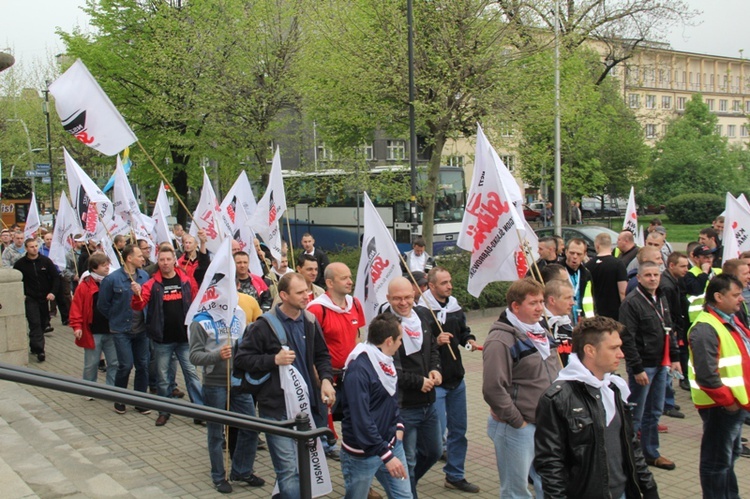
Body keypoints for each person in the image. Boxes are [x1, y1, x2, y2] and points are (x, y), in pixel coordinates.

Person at [534, 316, 660, 499]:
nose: (621, 354)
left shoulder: (614, 388)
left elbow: (631, 445)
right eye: (613, 348)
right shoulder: (557, 399)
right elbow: (550, 464)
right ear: (590, 350)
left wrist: (648, 487)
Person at [234, 273, 335, 499]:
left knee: (305, 468)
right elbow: (241, 360)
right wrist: (273, 360)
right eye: (299, 292)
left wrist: (326, 380)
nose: (306, 296)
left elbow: (322, 355)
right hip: (276, 410)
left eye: (307, 291)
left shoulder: (309, 320)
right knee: (288, 472)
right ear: (283, 295)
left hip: (306, 408)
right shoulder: (264, 326)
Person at [483, 278, 562, 498]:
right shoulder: (501, 339)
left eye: (541, 301)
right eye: (533, 303)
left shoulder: (540, 331)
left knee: (548, 482)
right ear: (516, 306)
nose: (540, 308)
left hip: (544, 422)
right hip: (517, 427)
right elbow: (492, 388)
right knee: (515, 491)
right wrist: (518, 421)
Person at [188, 295, 265, 493]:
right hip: (214, 384)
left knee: (251, 427)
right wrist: (217, 355)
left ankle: (241, 470)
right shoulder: (200, 321)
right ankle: (218, 476)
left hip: (239, 382)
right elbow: (194, 356)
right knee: (216, 433)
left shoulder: (239, 313)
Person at [688, 274, 750, 498]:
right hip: (721, 407)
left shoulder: (729, 320)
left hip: (733, 404)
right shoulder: (706, 328)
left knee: (728, 460)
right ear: (718, 296)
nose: (741, 299)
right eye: (735, 295)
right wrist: (730, 403)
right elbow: (707, 375)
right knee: (716, 464)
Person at [419, 267, 480, 493]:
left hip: (457, 378)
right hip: (436, 381)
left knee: (459, 431)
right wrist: (436, 340)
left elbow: (463, 331)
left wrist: (470, 339)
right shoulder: (422, 311)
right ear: (431, 286)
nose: (449, 286)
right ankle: (411, 473)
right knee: (435, 438)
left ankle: (455, 475)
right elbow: (418, 346)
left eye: (450, 281)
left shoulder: (454, 306)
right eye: (444, 283)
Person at [381, 276, 442, 498]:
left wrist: (436, 369)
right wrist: (419, 382)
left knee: (434, 451)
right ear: (388, 298)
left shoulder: (423, 315)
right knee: (408, 460)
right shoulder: (384, 325)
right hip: (404, 406)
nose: (404, 302)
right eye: (397, 298)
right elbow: (388, 368)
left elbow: (433, 347)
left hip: (429, 403)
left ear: (415, 295)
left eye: (408, 297)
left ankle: (408, 484)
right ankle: (408, 493)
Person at [339, 313, 411, 499]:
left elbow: (390, 397)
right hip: (362, 454)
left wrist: (399, 424)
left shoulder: (385, 361)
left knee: (404, 496)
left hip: (390, 443)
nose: (401, 344)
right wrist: (385, 455)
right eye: (400, 339)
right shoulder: (359, 370)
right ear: (389, 341)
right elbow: (361, 418)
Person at [619, 261, 681, 471]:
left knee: (654, 412)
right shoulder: (632, 302)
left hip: (661, 364)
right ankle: (630, 456)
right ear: (639, 278)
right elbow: (628, 338)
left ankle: (650, 453)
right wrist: (637, 368)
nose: (653, 278)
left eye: (656, 275)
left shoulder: (661, 297)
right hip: (644, 367)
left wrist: (675, 357)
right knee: (636, 414)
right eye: (648, 275)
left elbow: (668, 328)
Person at [131, 246, 202, 427]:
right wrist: (136, 294)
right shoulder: (151, 284)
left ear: (174, 260)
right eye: (161, 260)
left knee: (192, 375)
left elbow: (197, 301)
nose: (165, 263)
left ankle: (201, 412)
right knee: (163, 379)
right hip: (162, 340)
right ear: (158, 261)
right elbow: (139, 306)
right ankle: (164, 411)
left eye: (168, 259)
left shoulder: (186, 280)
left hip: (184, 339)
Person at [307, 262, 366, 461]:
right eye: (344, 278)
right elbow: (310, 349)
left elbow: (357, 336)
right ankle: (323, 448)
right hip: (327, 377)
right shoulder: (316, 310)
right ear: (330, 283)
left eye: (350, 276)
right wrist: (318, 378)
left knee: (354, 415)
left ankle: (351, 447)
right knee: (324, 415)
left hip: (350, 375)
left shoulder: (355, 304)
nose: (350, 281)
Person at [98, 244, 152, 414]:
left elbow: (149, 298)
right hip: (121, 330)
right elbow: (103, 305)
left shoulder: (144, 276)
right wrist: (115, 318)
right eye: (139, 256)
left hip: (141, 329)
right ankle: (120, 398)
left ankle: (140, 400)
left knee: (143, 365)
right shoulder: (112, 279)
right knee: (125, 365)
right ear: (129, 258)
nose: (143, 258)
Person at [69, 252, 120, 387]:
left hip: (111, 330)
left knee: (114, 362)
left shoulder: (112, 282)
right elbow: (77, 307)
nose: (107, 267)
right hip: (92, 331)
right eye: (103, 265)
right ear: (94, 268)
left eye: (108, 264)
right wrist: (77, 326)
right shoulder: (84, 286)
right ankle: (89, 388)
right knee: (91, 363)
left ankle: (112, 389)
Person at [14, 238, 59, 362]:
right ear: (26, 248)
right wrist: (21, 294)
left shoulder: (46, 261)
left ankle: (34, 345)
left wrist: (52, 292)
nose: (34, 248)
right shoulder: (20, 264)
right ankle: (40, 350)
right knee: (35, 322)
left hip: (44, 298)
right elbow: (17, 280)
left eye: (36, 246)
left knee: (43, 322)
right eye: (31, 247)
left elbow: (56, 277)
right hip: (30, 298)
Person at [660, 252, 691, 397]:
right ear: (672, 265)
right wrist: (674, 330)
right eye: (683, 266)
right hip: (670, 330)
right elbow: (668, 311)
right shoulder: (667, 286)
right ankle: (667, 400)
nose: (686, 269)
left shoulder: (673, 281)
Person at [585, 232, 627, 320]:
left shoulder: (588, 265)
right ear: (610, 245)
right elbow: (623, 291)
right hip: (615, 312)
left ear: (597, 246)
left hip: (596, 311)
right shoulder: (618, 264)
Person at [540, 279, 575, 366]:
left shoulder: (568, 323)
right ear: (552, 300)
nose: (572, 303)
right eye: (567, 298)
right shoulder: (538, 325)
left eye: (572, 298)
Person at [685, 245, 723, 323]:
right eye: (705, 257)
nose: (709, 260)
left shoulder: (719, 271)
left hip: (715, 315)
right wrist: (704, 273)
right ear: (696, 259)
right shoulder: (690, 274)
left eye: (711, 256)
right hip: (696, 317)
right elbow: (696, 290)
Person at [563, 238, 593, 325]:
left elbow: (591, 299)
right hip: (564, 319)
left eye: (579, 254)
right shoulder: (557, 270)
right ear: (566, 252)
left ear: (584, 255)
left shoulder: (586, 273)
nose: (575, 257)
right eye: (572, 253)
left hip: (582, 320)